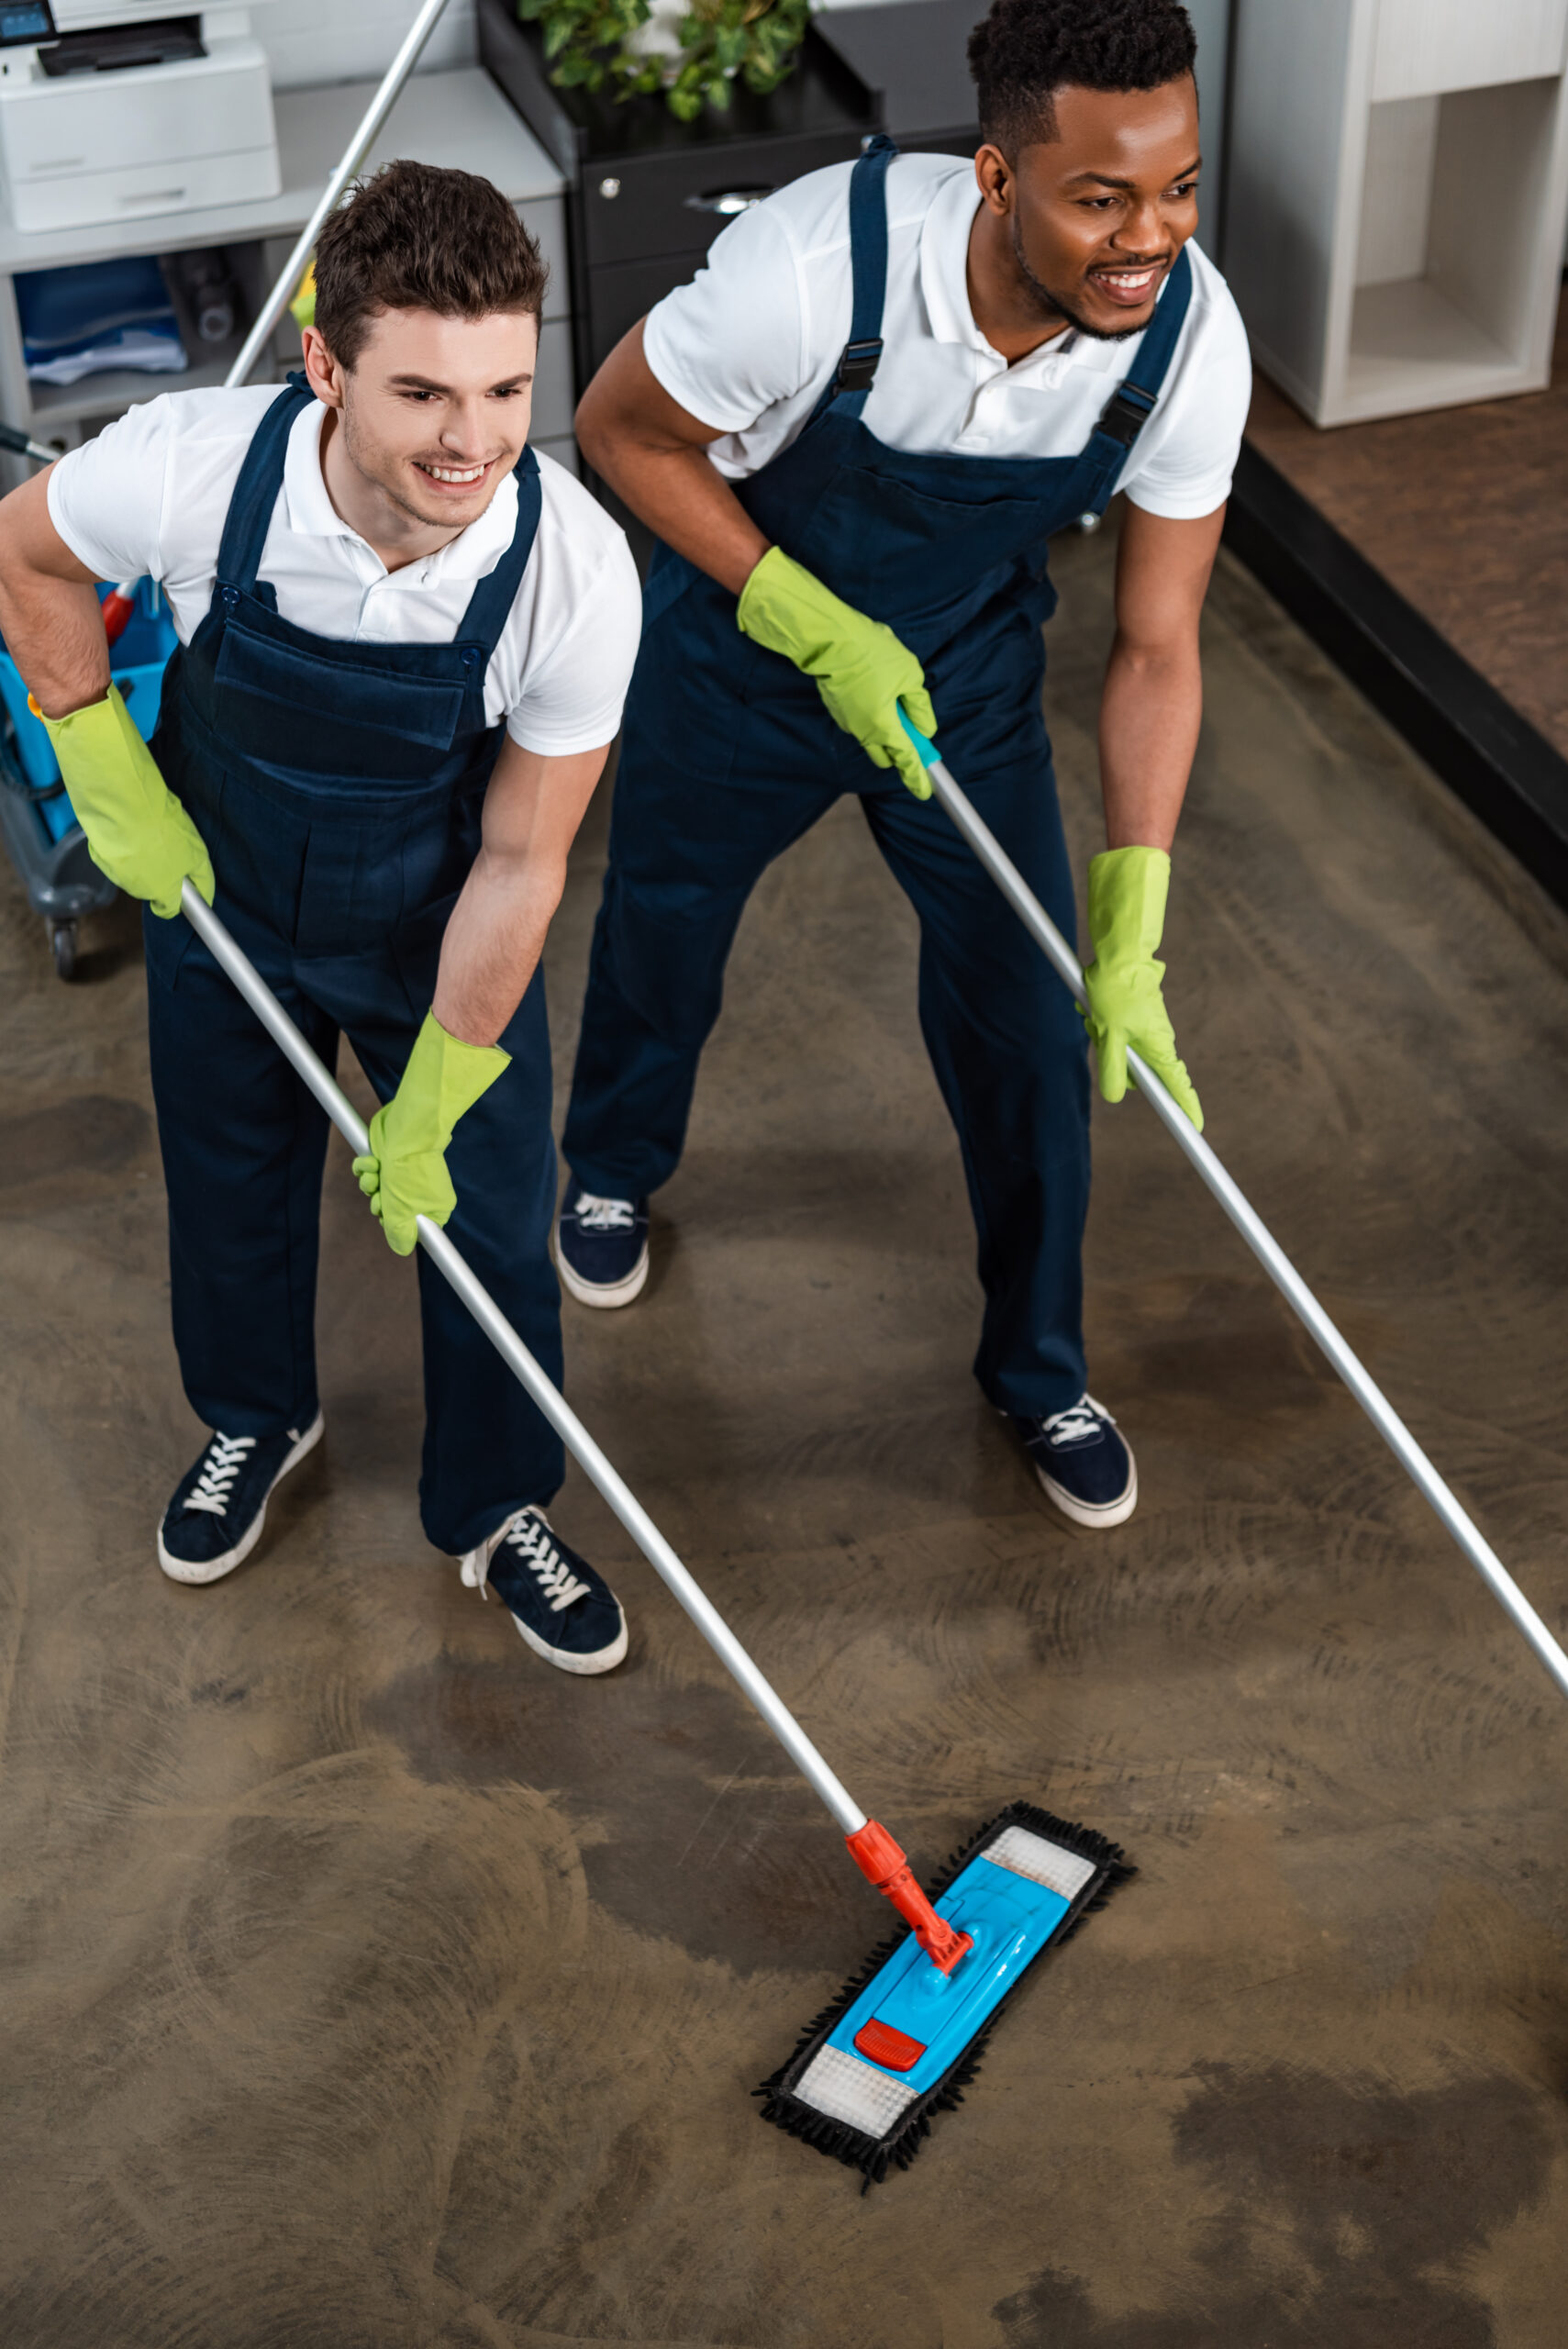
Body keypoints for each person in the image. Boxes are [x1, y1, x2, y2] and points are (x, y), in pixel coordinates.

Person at [553, 0, 1249, 1530]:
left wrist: (1134, 894)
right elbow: (619, 431)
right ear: (997, 180)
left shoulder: (1188, 339)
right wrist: (801, 616)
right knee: (662, 924)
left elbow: (1156, 645)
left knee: (1028, 1013)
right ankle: (607, 1164)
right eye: (1099, 197)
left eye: (1179, 186)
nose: (1151, 238)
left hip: (963, 682)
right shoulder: (813, 270)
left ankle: (1038, 1367)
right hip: (744, 650)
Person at [0, 162, 641, 1672]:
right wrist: (95, 747)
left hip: (435, 927)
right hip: (214, 892)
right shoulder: (193, 470)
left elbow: (523, 863)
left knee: (484, 1215)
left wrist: (436, 1086)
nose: (471, 441)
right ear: (324, 365)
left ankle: (498, 1506)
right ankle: (255, 1418)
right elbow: (22, 553)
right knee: (229, 1180)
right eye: (422, 393)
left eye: (504, 390)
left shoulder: (571, 572)